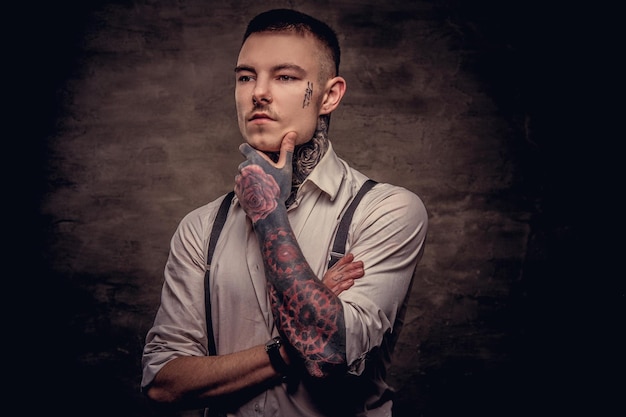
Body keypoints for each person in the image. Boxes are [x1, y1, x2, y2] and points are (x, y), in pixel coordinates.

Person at [142, 8, 428, 417]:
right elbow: (163, 383)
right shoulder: (200, 227)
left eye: (285, 77)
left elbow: (330, 351)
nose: (259, 92)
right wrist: (304, 327)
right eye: (245, 77)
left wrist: (268, 213)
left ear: (329, 95)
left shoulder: (385, 210)